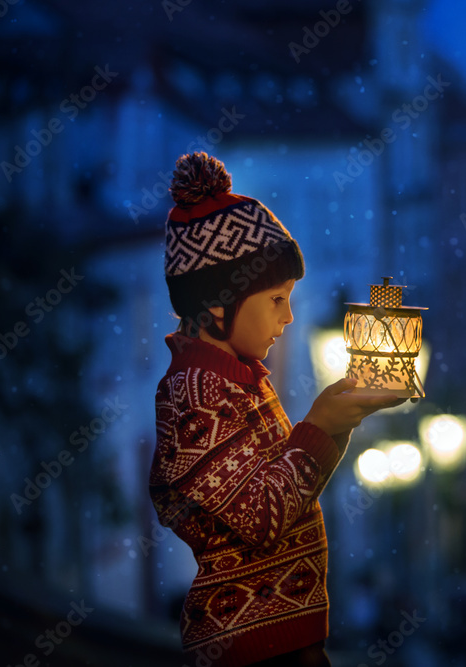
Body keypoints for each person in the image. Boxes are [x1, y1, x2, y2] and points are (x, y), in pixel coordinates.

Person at [148, 152, 403, 666]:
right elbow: (263, 516)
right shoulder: (195, 390)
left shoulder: (236, 379)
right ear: (219, 303)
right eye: (276, 298)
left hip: (281, 634)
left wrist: (337, 425)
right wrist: (319, 426)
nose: (288, 317)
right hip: (247, 645)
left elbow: (287, 487)